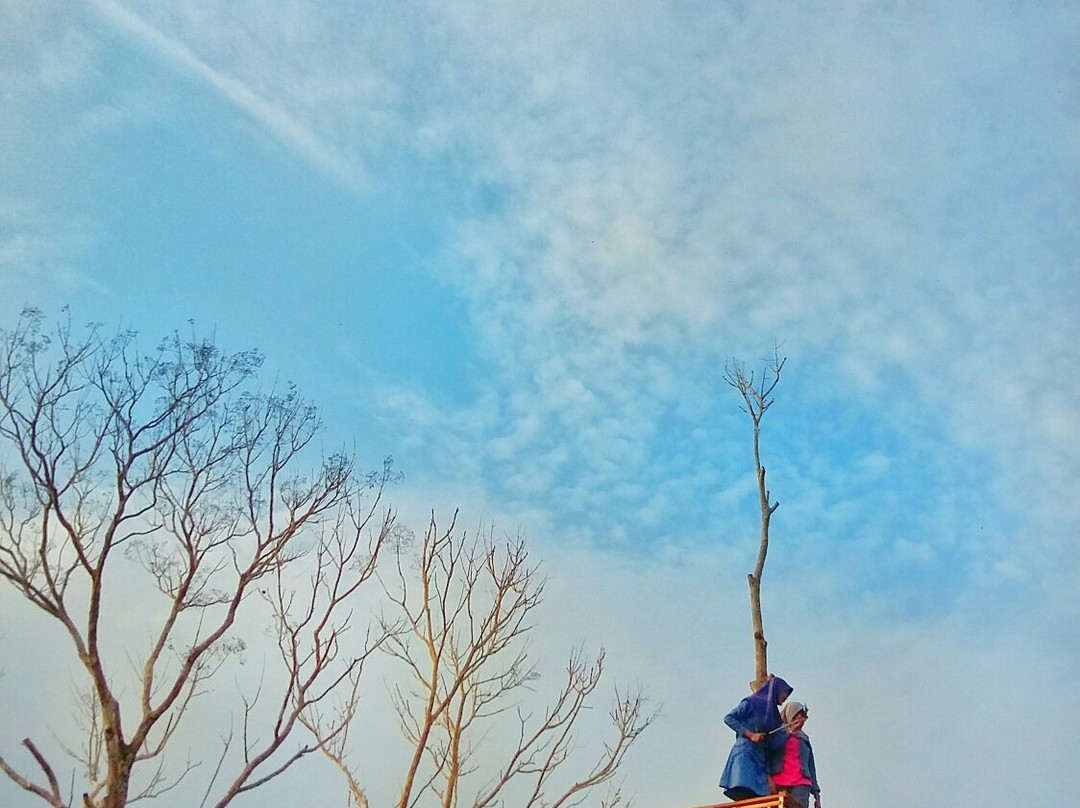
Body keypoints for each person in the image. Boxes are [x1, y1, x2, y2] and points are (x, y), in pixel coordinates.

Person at [718, 675, 793, 802]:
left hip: (760, 758)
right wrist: (750, 734)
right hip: (745, 754)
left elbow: (773, 745)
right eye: (785, 692)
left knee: (759, 797)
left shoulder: (774, 716)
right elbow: (729, 718)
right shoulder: (752, 702)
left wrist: (789, 730)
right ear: (776, 689)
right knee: (744, 791)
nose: (786, 697)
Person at [767, 701, 821, 808]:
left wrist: (816, 794)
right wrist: (768, 778)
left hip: (801, 783)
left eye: (801, 716)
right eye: (795, 716)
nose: (798, 720)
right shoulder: (777, 734)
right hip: (779, 781)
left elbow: (811, 766)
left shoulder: (804, 739)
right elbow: (768, 754)